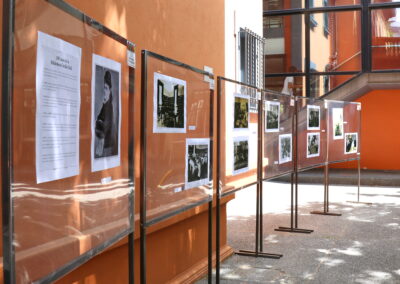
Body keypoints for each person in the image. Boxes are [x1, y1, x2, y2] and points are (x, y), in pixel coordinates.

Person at [95, 70, 115, 157]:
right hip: (105, 144)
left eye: (106, 88)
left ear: (110, 90)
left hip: (107, 146)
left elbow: (103, 127)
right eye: (104, 88)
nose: (104, 91)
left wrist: (99, 122)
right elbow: (98, 118)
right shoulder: (106, 104)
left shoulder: (109, 106)